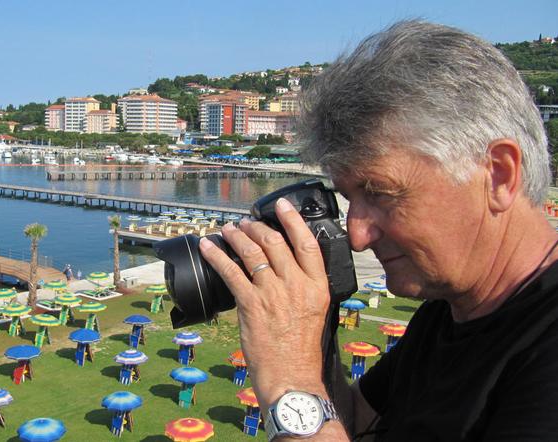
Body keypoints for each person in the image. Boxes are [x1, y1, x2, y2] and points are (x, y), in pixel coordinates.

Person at [199, 20, 558, 440]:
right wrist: (310, 325)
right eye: (350, 197)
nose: (356, 235)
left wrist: (289, 382)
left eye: (380, 192)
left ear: (497, 175)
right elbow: (355, 422)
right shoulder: (448, 312)